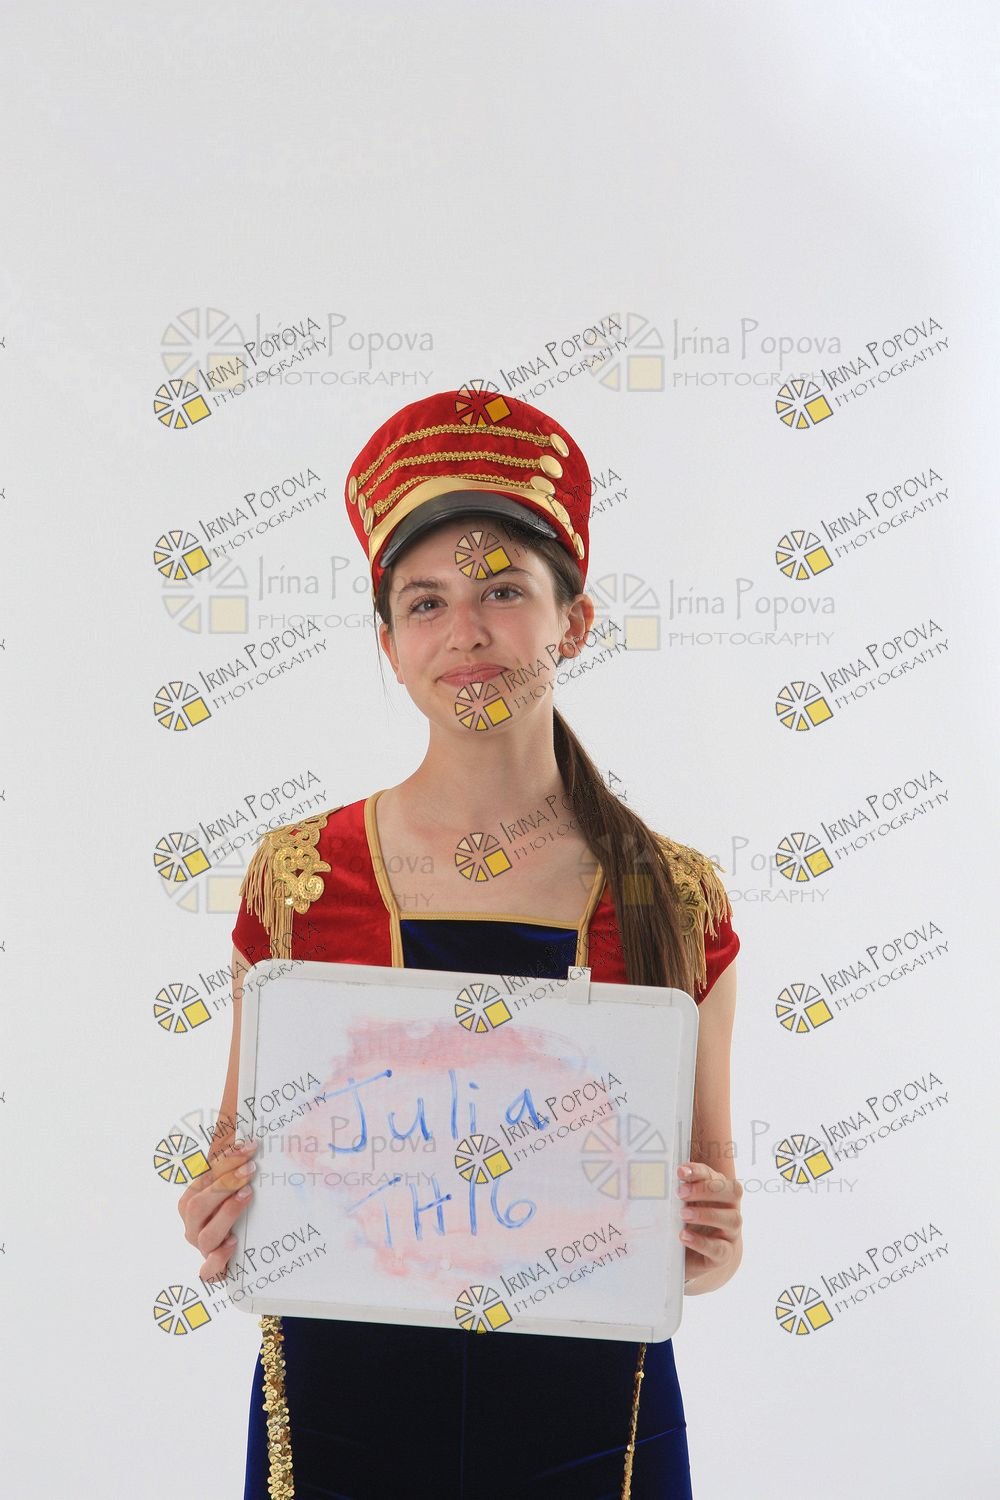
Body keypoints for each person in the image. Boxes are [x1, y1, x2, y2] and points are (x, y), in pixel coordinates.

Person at [178, 386, 744, 1500]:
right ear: (389, 644)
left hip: (595, 1425)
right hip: (338, 1422)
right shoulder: (300, 878)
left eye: (503, 591)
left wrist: (711, 1247)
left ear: (574, 621)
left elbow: (704, 1218)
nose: (466, 633)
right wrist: (220, 1211)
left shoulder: (674, 899)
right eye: (426, 602)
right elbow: (238, 1157)